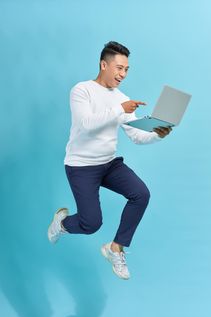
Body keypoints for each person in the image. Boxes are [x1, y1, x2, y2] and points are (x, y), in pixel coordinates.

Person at [48, 41, 172, 280]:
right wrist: (119, 109)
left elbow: (136, 136)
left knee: (141, 194)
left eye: (126, 69)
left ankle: (116, 248)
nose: (122, 74)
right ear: (103, 65)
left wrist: (157, 134)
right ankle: (62, 224)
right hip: (81, 166)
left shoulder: (122, 98)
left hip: (109, 164)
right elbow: (86, 125)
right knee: (91, 224)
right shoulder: (81, 90)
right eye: (118, 68)